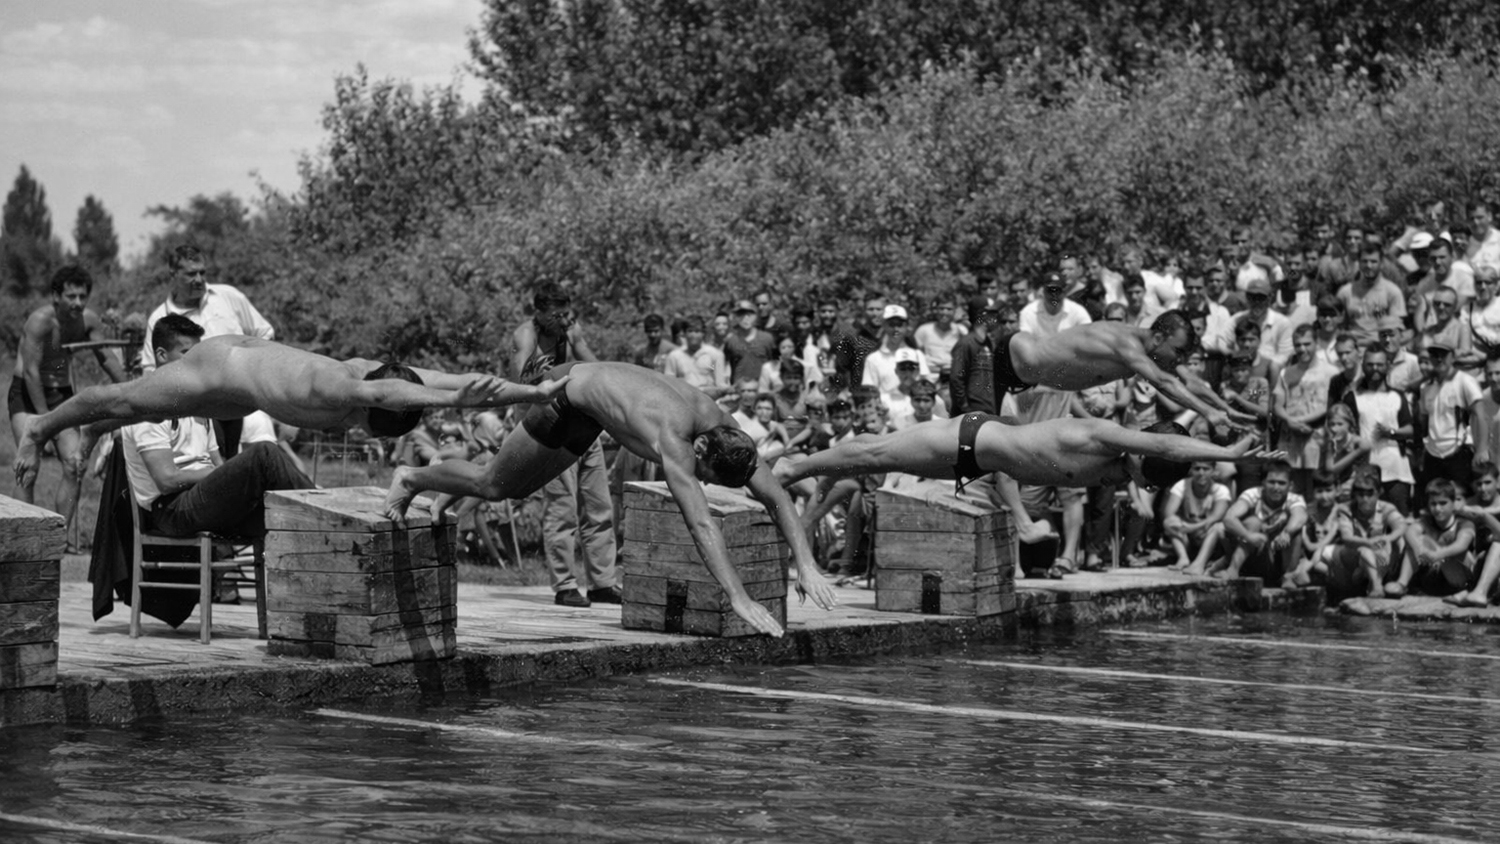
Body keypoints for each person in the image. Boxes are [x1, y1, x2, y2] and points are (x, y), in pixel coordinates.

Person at [383, 362, 840, 637]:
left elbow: (777, 496)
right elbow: (702, 523)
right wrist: (736, 595)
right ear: (700, 452)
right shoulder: (678, 442)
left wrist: (807, 563)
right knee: (495, 486)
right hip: (563, 394)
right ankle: (414, 477)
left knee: (513, 486)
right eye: (706, 477)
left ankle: (438, 487)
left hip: (591, 408)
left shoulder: (730, 436)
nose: (704, 484)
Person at [14, 334, 560, 489]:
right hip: (223, 366)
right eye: (371, 432)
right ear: (372, 413)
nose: (366, 437)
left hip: (245, 388)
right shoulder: (350, 390)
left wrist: (529, 393)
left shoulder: (375, 371)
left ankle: (94, 433)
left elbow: (467, 382)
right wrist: (451, 402)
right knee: (121, 398)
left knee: (132, 411)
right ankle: (39, 430)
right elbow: (450, 393)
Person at [772, 414, 1282, 504]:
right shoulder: (1108, 438)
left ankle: (805, 469)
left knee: (877, 465)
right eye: (1145, 480)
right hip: (972, 439)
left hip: (979, 464)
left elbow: (1163, 461)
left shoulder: (1117, 471)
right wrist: (1227, 452)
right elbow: (1170, 445)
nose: (1138, 485)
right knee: (875, 449)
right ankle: (793, 467)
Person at [121, 315, 314, 538]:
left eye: (198, 354)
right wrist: (218, 474)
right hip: (171, 509)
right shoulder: (149, 404)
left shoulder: (197, 403)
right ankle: (321, 507)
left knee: (280, 514)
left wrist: (227, 475)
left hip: (200, 499)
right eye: (187, 354)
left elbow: (217, 461)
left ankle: (320, 525)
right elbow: (166, 480)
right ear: (162, 355)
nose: (196, 362)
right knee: (264, 454)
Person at [511, 285, 618, 608]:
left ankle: (602, 583)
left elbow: (595, 366)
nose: (563, 321)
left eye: (566, 313)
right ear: (539, 313)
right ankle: (565, 584)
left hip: (579, 418)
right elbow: (520, 382)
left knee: (599, 505)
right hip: (544, 426)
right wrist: (541, 370)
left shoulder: (570, 330)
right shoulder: (525, 335)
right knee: (563, 507)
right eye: (556, 316)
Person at [8, 266, 128, 545]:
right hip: (27, 393)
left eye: (82, 296)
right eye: (71, 296)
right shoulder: (40, 321)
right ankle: (20, 545)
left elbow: (106, 357)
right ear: (56, 296)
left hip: (61, 393)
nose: (77, 302)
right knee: (29, 466)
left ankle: (53, 543)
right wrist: (45, 423)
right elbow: (31, 372)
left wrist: (128, 390)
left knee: (75, 463)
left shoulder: (87, 320)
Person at [992, 311, 1255, 431]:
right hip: (1009, 357)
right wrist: (1208, 412)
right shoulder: (1125, 344)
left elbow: (1187, 380)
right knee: (976, 437)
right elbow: (1165, 383)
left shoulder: (1151, 350)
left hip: (1029, 381)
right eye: (1177, 352)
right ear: (1160, 338)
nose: (1179, 360)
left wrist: (1224, 408)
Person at [140, 245, 277, 458]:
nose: (199, 279)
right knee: (219, 467)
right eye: (191, 273)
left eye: (202, 272)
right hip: (196, 409)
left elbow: (264, 333)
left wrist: (258, 377)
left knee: (261, 459)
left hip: (244, 400)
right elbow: (151, 370)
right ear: (173, 274)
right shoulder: (160, 319)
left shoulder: (228, 297)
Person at [1214, 460, 1307, 582]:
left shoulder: (1295, 499)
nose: (1276, 488)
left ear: (1290, 485)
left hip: (1277, 558)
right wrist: (1249, 536)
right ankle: (1233, 569)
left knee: (1296, 531)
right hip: (1253, 554)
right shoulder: (1252, 494)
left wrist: (1287, 532)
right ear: (1263, 482)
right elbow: (1229, 518)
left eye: (1281, 483)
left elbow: (1300, 517)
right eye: (1271, 482)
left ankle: (1288, 576)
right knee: (1253, 522)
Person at [1387, 478, 1475, 598]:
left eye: (1443, 503)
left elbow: (1461, 545)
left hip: (1459, 578)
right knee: (1417, 541)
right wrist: (1420, 549)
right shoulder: (1427, 521)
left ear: (1453, 503)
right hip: (1435, 575)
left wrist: (1438, 554)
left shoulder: (1464, 523)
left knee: (1457, 552)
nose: (1438, 509)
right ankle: (1402, 583)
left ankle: (1464, 591)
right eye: (1433, 504)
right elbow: (1410, 531)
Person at [1162, 460, 1231, 575]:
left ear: (1213, 471)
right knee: (1169, 522)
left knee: (1219, 527)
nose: (1201, 473)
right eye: (1197, 468)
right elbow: (1169, 513)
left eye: (1206, 469)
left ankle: (1199, 564)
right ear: (1191, 470)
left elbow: (1216, 517)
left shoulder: (1220, 489)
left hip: (1209, 535)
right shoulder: (1182, 485)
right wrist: (1186, 527)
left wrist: (1191, 527)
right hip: (1188, 536)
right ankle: (1183, 558)